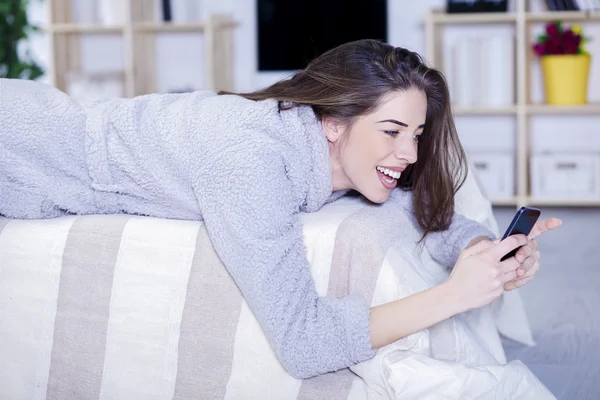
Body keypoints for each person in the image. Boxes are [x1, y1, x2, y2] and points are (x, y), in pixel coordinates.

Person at [0, 39, 560, 379]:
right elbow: (305, 343)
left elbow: (415, 206)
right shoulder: (253, 160)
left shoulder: (331, 150)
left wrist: (479, 247)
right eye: (392, 131)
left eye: (416, 133)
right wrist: (453, 296)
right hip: (21, 149)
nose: (409, 153)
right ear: (333, 122)